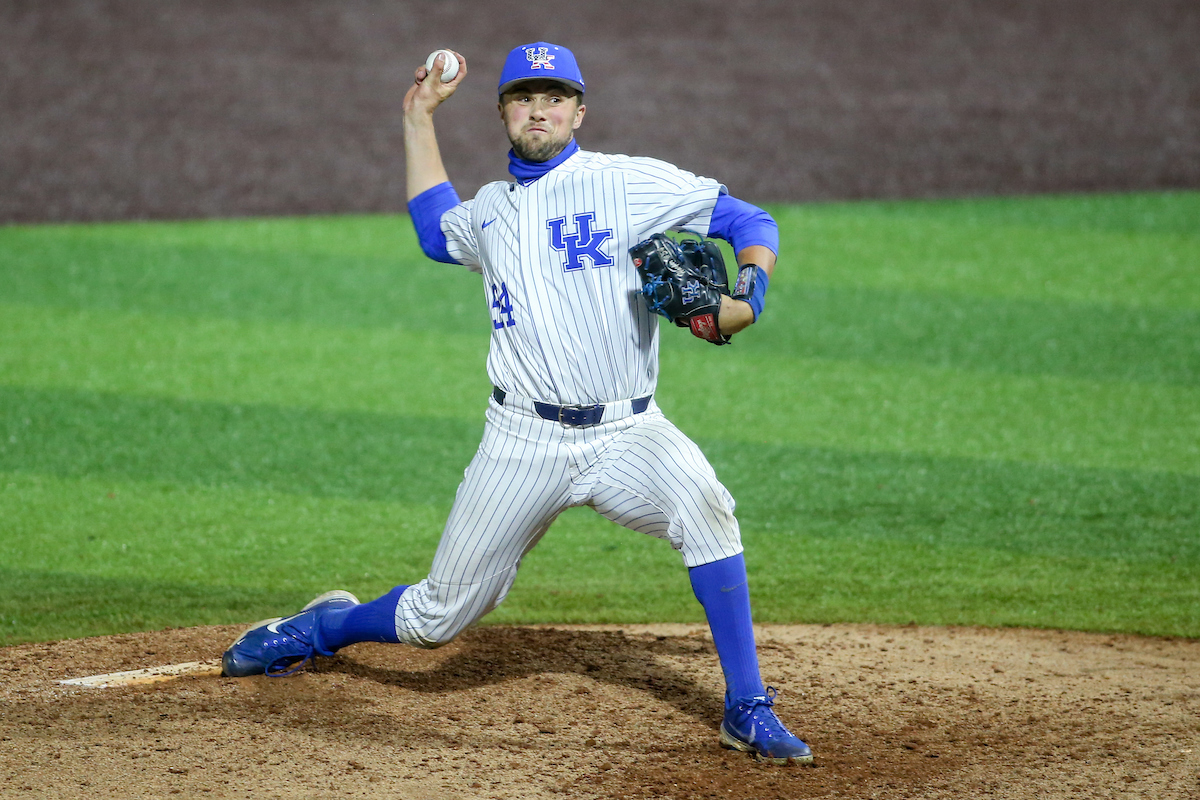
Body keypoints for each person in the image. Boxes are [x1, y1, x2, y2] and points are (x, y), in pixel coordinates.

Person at [221, 42, 812, 765]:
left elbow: (753, 222)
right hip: (521, 441)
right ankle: (319, 628)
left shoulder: (627, 183)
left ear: (579, 111)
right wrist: (417, 120)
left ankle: (747, 707)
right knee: (437, 618)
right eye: (525, 97)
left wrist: (749, 295)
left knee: (707, 507)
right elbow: (436, 232)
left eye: (556, 96)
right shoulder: (490, 213)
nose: (541, 108)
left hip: (629, 433)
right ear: (503, 112)